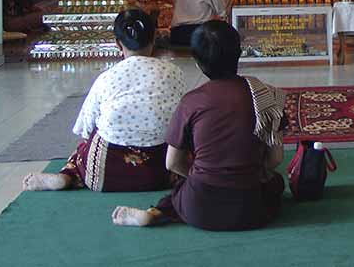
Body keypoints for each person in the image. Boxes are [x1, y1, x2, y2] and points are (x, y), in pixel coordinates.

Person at [111, 21, 288, 231]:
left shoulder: (191, 102)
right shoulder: (264, 94)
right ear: (239, 53)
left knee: (181, 190)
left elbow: (172, 163)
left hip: (200, 208)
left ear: (197, 62)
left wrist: (201, 176)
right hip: (251, 210)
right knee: (275, 183)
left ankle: (156, 212)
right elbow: (275, 158)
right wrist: (251, 173)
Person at [22, 10, 184, 192]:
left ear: (117, 44)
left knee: (86, 143)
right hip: (162, 171)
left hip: (104, 173)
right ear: (154, 39)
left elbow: (85, 128)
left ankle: (68, 175)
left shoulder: (106, 78)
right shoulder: (173, 72)